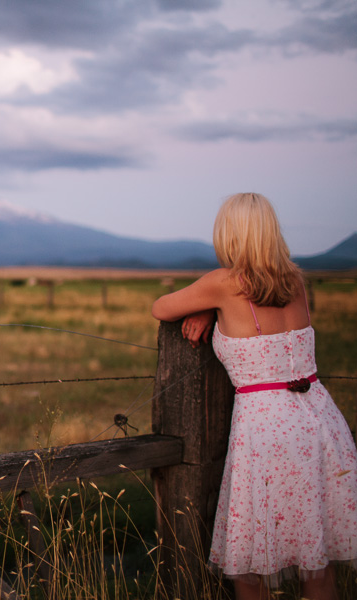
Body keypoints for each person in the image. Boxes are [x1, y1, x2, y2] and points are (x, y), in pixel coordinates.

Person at [151, 193, 357, 600]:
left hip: (266, 431)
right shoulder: (294, 280)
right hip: (319, 420)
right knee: (315, 561)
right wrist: (214, 309)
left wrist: (210, 306)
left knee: (249, 567)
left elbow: (161, 307)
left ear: (229, 234)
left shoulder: (223, 283)